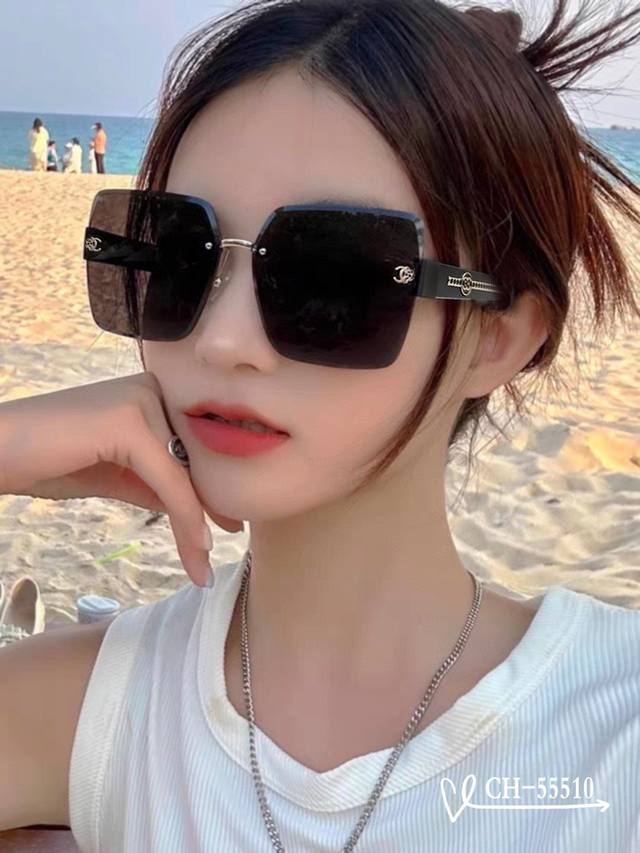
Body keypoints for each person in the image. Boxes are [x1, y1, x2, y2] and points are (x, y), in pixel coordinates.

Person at [0, 1, 639, 850]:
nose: (223, 340)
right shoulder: (94, 708)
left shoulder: (614, 734)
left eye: (331, 276)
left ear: (495, 338)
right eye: (179, 255)